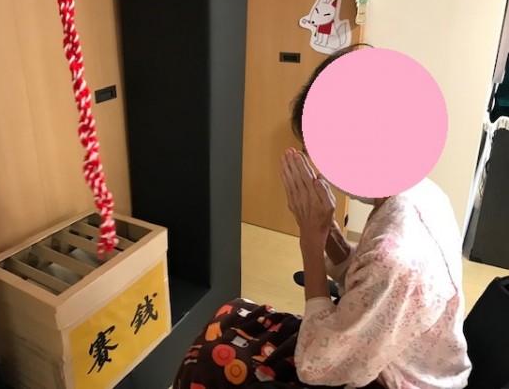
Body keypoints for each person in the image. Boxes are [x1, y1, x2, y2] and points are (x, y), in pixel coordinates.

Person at [172, 44, 472, 389]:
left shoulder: (396, 254)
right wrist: (330, 234)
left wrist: (311, 243)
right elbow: (366, 284)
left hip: (395, 379)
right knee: (231, 317)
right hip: (375, 347)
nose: (319, 165)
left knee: (209, 363)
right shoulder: (423, 194)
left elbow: (317, 366)